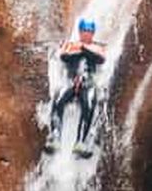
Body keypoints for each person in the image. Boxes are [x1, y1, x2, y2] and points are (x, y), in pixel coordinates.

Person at [45, 17, 107, 157]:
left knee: (89, 103)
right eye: (84, 30)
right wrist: (81, 49)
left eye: (90, 31)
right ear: (80, 31)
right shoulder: (71, 45)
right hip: (71, 81)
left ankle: (81, 142)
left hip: (87, 83)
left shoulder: (97, 47)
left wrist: (84, 49)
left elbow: (101, 59)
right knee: (58, 98)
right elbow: (64, 56)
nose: (87, 33)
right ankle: (55, 136)